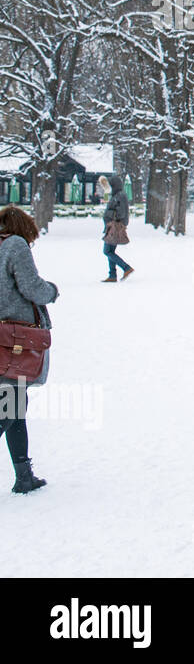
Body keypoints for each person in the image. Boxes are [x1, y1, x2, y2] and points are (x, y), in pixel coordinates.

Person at [0, 205, 58, 493]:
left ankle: (24, 476)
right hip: (14, 340)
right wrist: (52, 290)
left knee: (14, 407)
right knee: (8, 409)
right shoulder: (15, 244)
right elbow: (31, 287)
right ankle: (24, 476)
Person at [101, 175, 134, 283]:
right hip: (113, 226)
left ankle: (126, 268)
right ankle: (112, 275)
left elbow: (121, 213)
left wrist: (108, 214)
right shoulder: (117, 195)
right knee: (110, 251)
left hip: (115, 227)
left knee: (107, 251)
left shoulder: (119, 196)